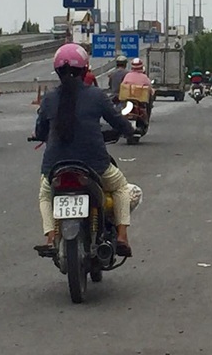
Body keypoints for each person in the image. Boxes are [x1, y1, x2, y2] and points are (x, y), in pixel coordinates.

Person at [33, 44, 137, 258]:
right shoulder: (97, 96)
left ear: (57, 71)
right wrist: (128, 130)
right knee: (120, 188)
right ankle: (122, 237)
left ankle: (51, 236)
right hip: (95, 166)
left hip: (56, 167)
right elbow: (117, 121)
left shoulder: (49, 98)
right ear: (85, 69)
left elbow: (40, 130)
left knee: (45, 193)